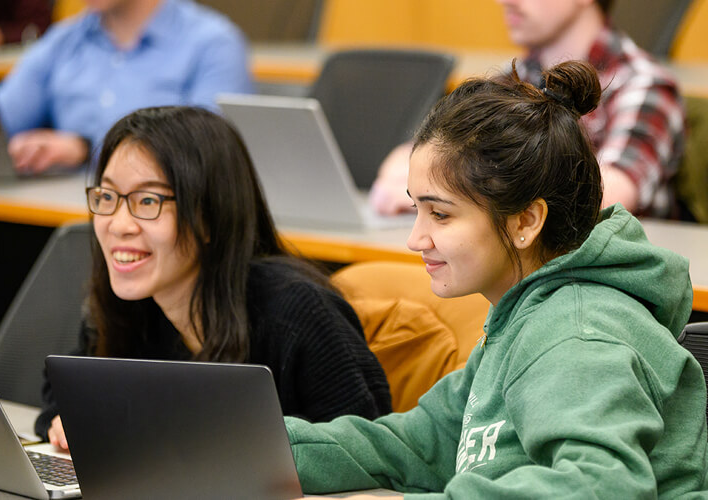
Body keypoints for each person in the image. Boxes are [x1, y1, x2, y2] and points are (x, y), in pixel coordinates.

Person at [285, 61, 708, 498]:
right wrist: (276, 450)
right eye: (417, 209)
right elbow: (422, 443)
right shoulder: (520, 317)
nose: (415, 238)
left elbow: (602, 486)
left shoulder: (578, 335)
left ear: (525, 220)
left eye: (441, 214)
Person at [37, 106, 392, 450]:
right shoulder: (127, 305)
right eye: (108, 196)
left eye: (147, 201)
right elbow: (65, 387)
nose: (118, 224)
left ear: (210, 215)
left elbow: (369, 452)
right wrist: (67, 418)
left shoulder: (298, 312)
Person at [370, 0, 686, 219]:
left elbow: (601, 197)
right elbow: (407, 161)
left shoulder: (645, 85)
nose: (504, 2)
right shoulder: (511, 80)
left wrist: (446, 193)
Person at [0, 0, 254, 175]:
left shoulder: (213, 43)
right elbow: (0, 119)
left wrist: (86, 148)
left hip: (162, 228)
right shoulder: (64, 39)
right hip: (62, 214)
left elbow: (209, 156)